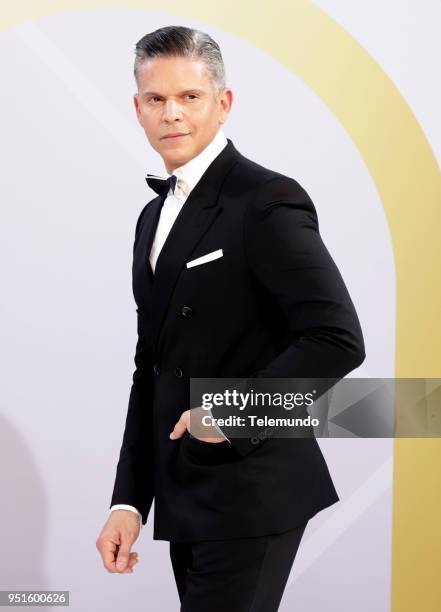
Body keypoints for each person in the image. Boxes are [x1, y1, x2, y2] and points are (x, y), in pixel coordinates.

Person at [96, 25, 365, 611]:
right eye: (156, 99)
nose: (172, 114)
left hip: (251, 486)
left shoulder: (265, 201)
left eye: (190, 97)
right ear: (137, 108)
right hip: (186, 489)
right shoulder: (151, 217)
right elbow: (153, 368)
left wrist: (234, 410)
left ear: (223, 104)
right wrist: (128, 502)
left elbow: (337, 338)